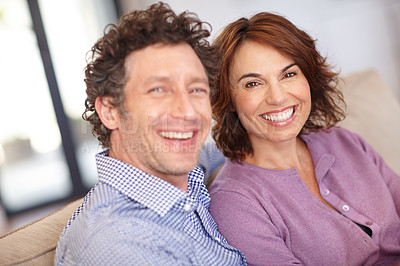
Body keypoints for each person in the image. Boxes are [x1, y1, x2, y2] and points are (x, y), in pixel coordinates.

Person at [54, 3, 246, 265]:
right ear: (110, 111)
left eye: (196, 89)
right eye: (158, 90)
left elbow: (221, 150)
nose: (187, 111)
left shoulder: (181, 170)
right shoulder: (118, 244)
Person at [208, 11, 400, 265]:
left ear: (308, 78)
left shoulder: (345, 141)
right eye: (253, 83)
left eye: (289, 74)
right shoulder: (235, 202)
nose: (277, 97)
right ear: (228, 99)